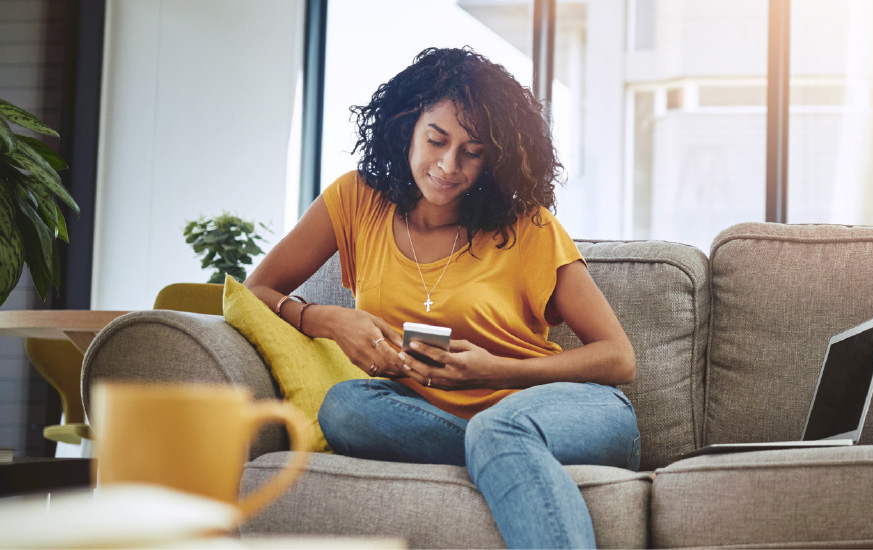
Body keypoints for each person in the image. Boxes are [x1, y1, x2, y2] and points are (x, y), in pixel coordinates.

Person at [243, 47, 639, 549]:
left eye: (472, 151)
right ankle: (497, 455)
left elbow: (619, 358)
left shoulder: (529, 227)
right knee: (344, 406)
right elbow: (257, 290)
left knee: (497, 429)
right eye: (436, 140)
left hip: (561, 412)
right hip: (430, 420)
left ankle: (497, 445)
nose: (449, 165)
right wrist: (331, 321)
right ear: (406, 125)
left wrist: (496, 370)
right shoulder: (355, 200)